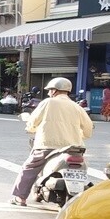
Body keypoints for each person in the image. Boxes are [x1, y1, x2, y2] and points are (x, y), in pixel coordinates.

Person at [10, 77, 94, 206]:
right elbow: (88, 128)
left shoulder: (48, 102)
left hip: (47, 146)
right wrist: (81, 136)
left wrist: (30, 127)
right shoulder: (76, 107)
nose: (49, 93)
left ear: (55, 90)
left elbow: (33, 121)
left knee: (29, 168)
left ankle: (20, 197)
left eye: (50, 90)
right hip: (73, 149)